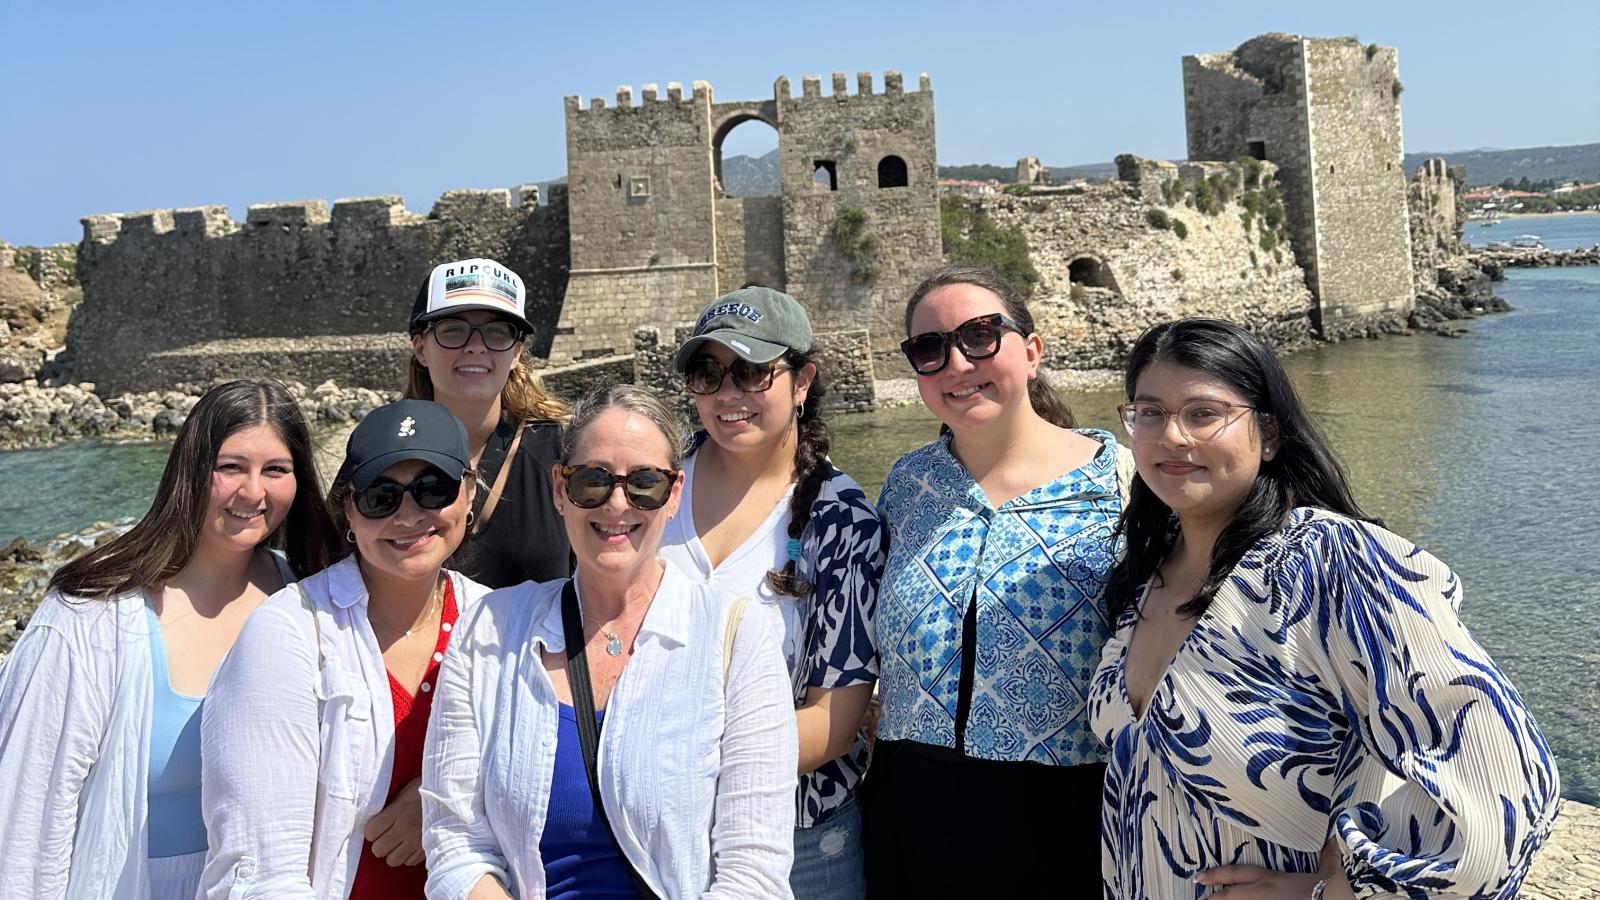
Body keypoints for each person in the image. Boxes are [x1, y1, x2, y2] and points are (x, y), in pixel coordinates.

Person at [1091, 318, 1561, 900]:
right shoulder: (1142, 579)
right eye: (1151, 413)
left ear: (1267, 435)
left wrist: (1330, 892)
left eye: (1204, 413)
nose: (1173, 436)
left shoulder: (1334, 563)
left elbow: (1505, 776)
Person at [423, 383, 798, 900]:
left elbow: (754, 871)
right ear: (560, 489)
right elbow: (453, 841)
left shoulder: (736, 638)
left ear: (674, 494)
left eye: (644, 482)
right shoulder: (487, 630)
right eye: (592, 481)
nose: (618, 503)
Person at [0, 379, 339, 900]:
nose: (253, 492)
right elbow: (26, 809)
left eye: (276, 470)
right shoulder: (90, 614)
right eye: (230, 467)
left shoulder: (313, 602)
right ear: (190, 469)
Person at [866, 265, 1130, 894]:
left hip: (1069, 820)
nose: (957, 363)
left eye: (981, 335)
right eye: (930, 348)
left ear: (1031, 351)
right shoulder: (909, 485)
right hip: (911, 816)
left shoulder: (1120, 484)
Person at [201, 399, 491, 899]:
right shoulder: (291, 633)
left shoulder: (495, 625)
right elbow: (259, 868)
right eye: (382, 497)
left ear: (468, 495)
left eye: (432, 490)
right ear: (350, 512)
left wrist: (438, 795)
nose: (409, 515)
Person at [659, 287, 883, 900]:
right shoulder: (652, 488)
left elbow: (835, 722)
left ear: (802, 380)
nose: (728, 394)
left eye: (753, 372)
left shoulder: (843, 522)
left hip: (799, 838)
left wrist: (686, 766)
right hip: (654, 827)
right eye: (708, 373)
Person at [406, 256, 571, 587]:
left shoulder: (563, 453)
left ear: (516, 353)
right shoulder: (383, 453)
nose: (476, 347)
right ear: (421, 348)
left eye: (497, 333)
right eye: (454, 330)